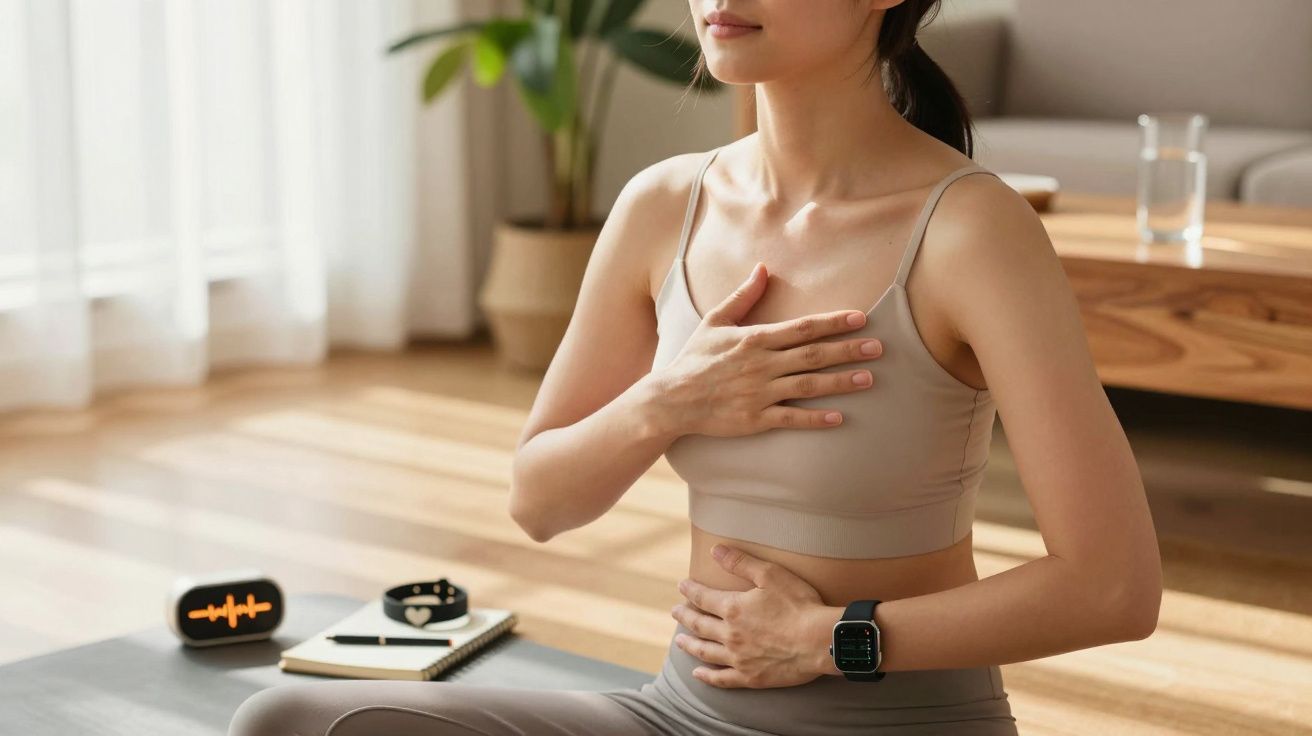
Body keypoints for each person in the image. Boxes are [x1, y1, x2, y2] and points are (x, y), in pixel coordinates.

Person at [227, 1, 1163, 733]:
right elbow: (540, 500)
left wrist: (832, 641)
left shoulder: (969, 229)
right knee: (291, 720)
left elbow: (1114, 586)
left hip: (896, 725)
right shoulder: (663, 202)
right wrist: (668, 400)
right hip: (678, 715)